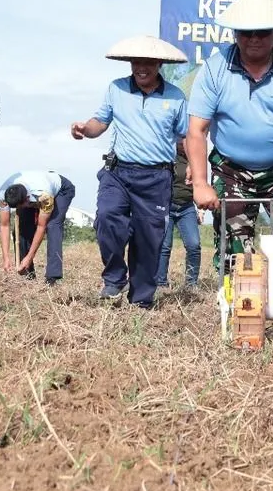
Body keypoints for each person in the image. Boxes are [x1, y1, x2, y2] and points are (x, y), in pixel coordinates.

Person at [186, 0, 273, 336]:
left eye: (262, 32)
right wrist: (200, 183)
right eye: (246, 33)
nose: (254, 39)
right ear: (235, 32)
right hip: (230, 168)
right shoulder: (215, 69)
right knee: (236, 248)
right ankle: (236, 305)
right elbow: (196, 130)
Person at [72, 35, 187, 309]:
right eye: (136, 62)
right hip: (118, 172)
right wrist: (84, 130)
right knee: (107, 217)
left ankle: (141, 299)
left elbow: (185, 138)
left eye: (148, 63)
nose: (141, 68)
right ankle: (114, 278)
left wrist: (194, 166)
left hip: (157, 177)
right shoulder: (116, 89)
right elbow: (100, 122)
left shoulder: (176, 96)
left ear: (159, 64)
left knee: (150, 239)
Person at [0, 170, 75, 284]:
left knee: (53, 226)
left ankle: (52, 277)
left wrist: (30, 256)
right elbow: (4, 225)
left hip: (61, 190)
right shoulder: (3, 195)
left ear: (27, 199)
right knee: (23, 226)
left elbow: (41, 227)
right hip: (32, 191)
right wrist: (6, 258)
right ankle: (28, 273)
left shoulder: (44, 196)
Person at [156, 138, 202, 289]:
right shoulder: (167, 156)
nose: (186, 143)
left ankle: (191, 284)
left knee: (194, 245)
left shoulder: (196, 160)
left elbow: (200, 185)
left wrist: (200, 210)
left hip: (187, 207)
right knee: (164, 246)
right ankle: (161, 282)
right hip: (167, 206)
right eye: (183, 141)